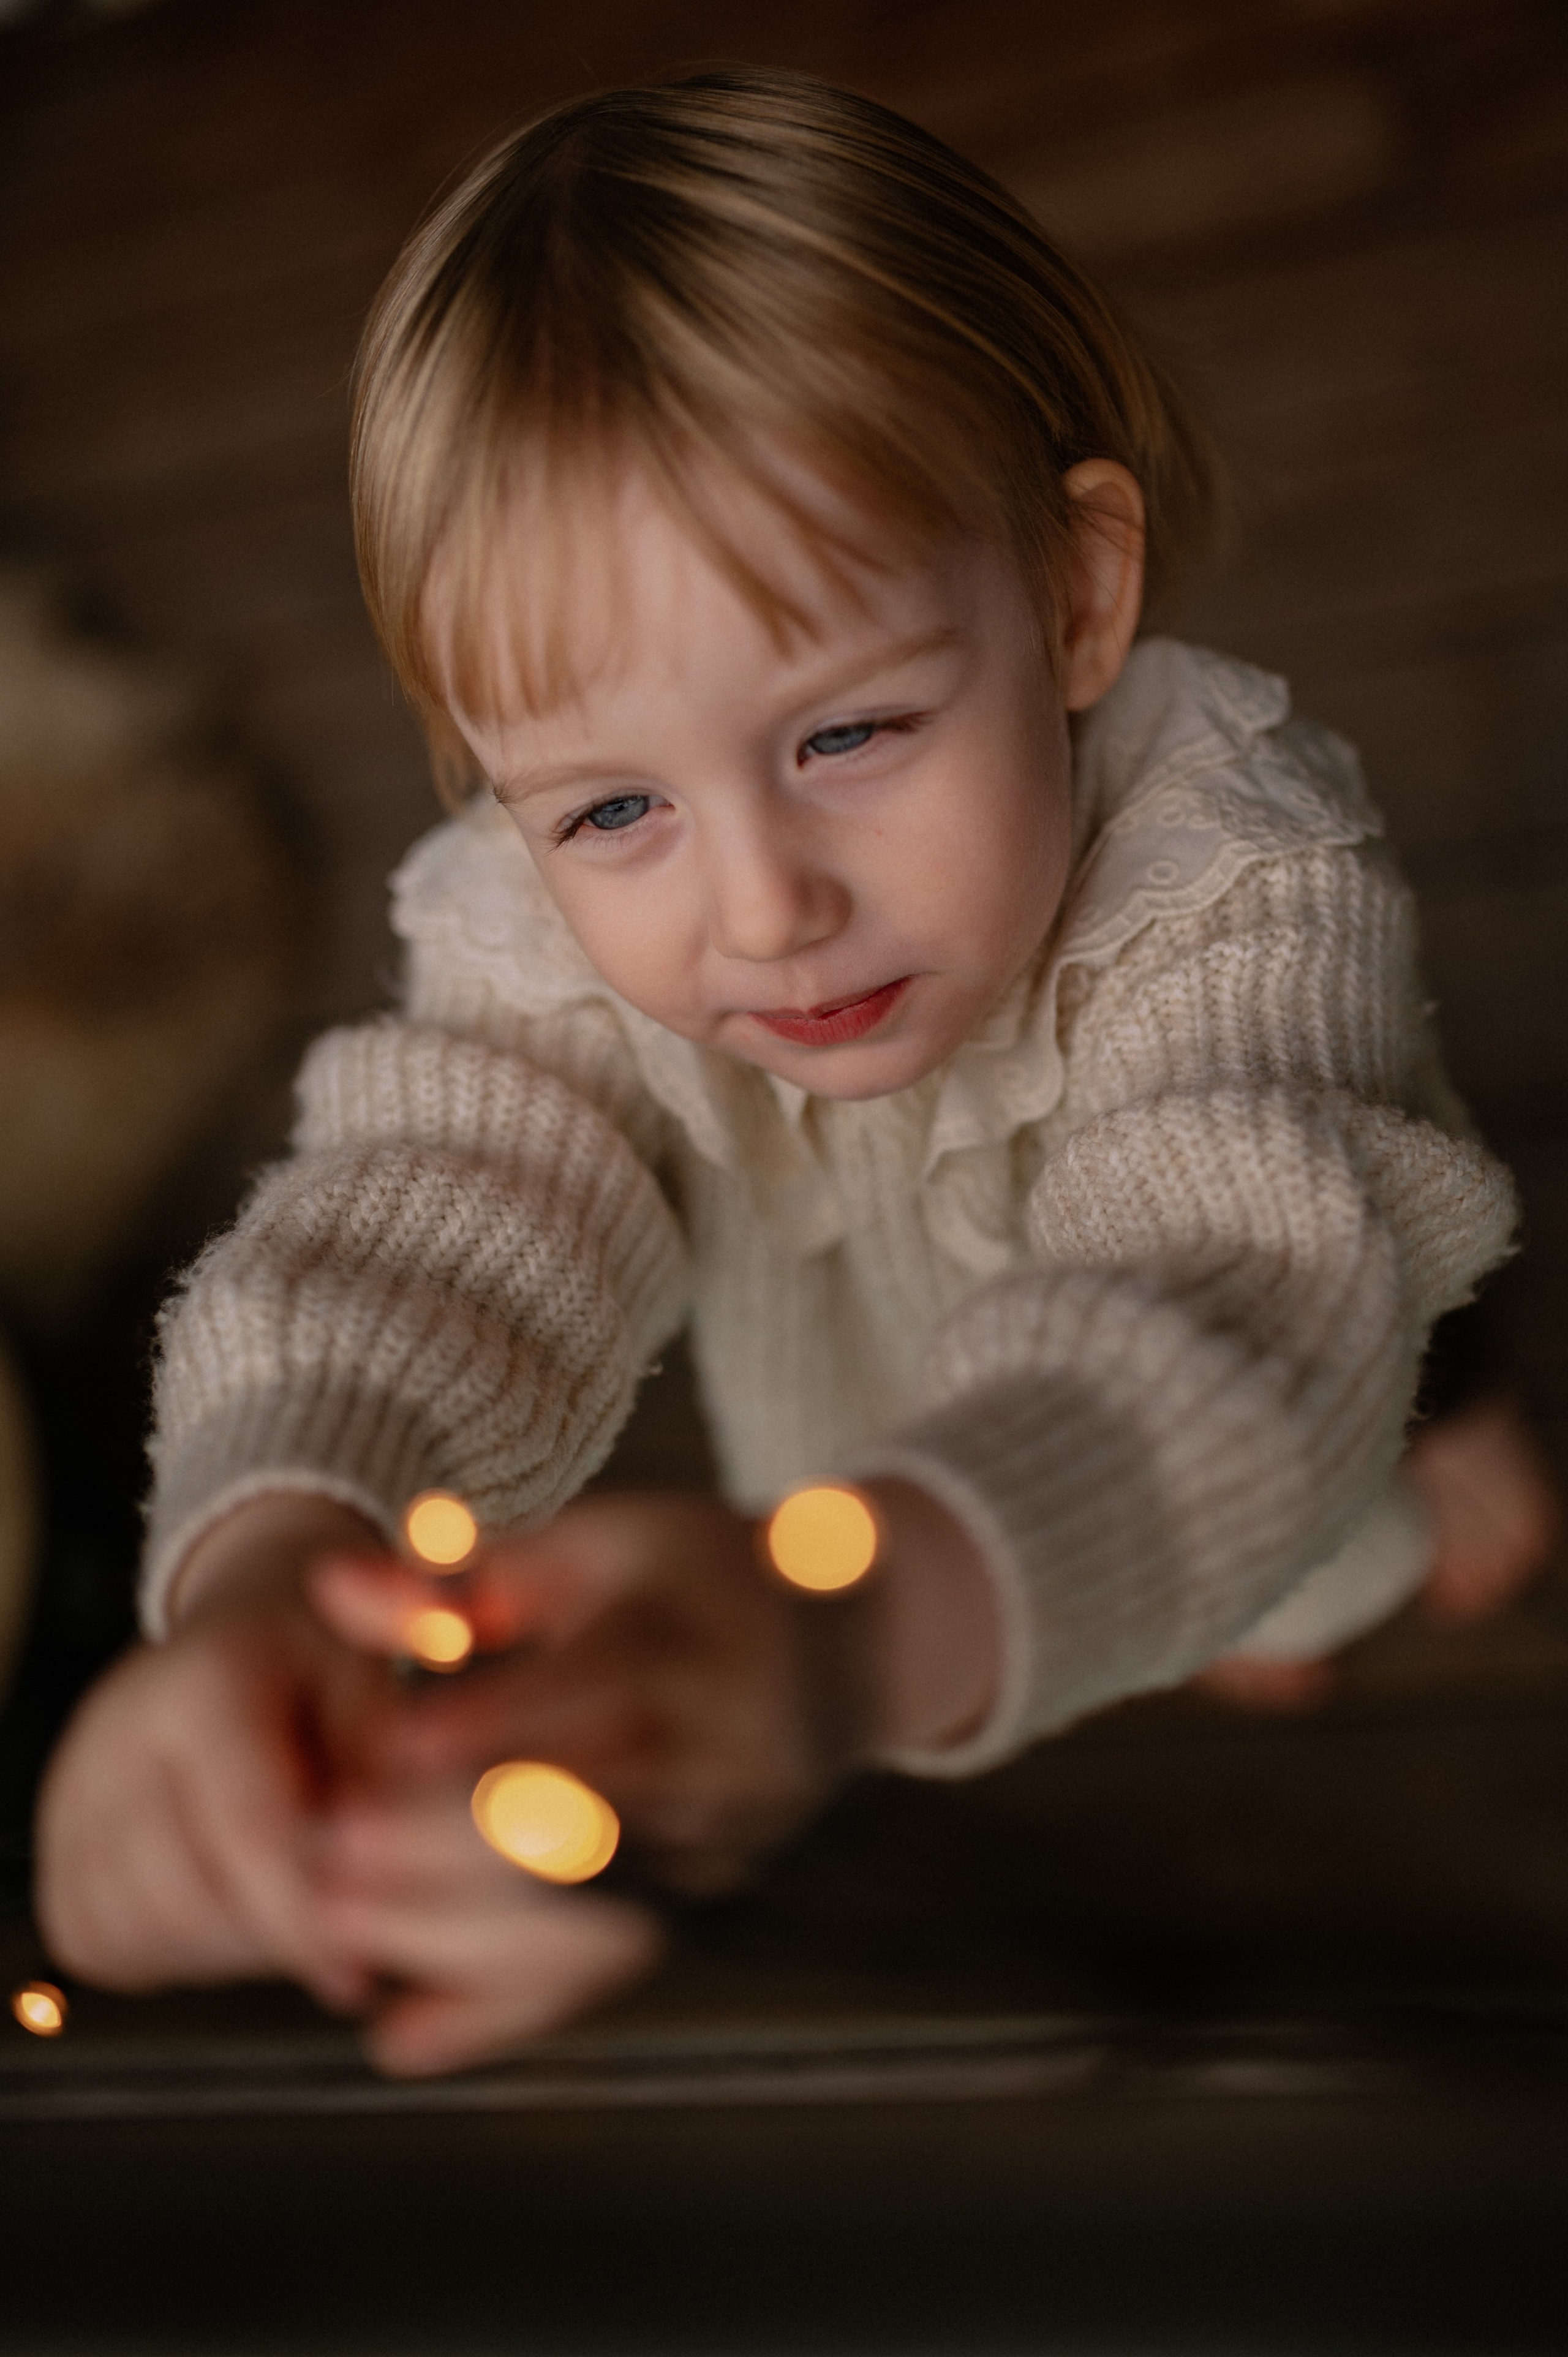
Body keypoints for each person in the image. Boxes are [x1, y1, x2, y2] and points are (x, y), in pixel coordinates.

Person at [36, 68, 1544, 2076]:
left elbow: (1249, 1303)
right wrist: (273, 1564)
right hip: (881, 1461)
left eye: (848, 736)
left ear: (1078, 595)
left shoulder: (1240, 882)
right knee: (1091, 1533)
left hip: (1289, 1304)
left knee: (1337, 1464)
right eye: (610, 810)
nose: (761, 912)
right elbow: (430, 1242)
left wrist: (848, 1635)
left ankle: (1427, 1470)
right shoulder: (529, 946)